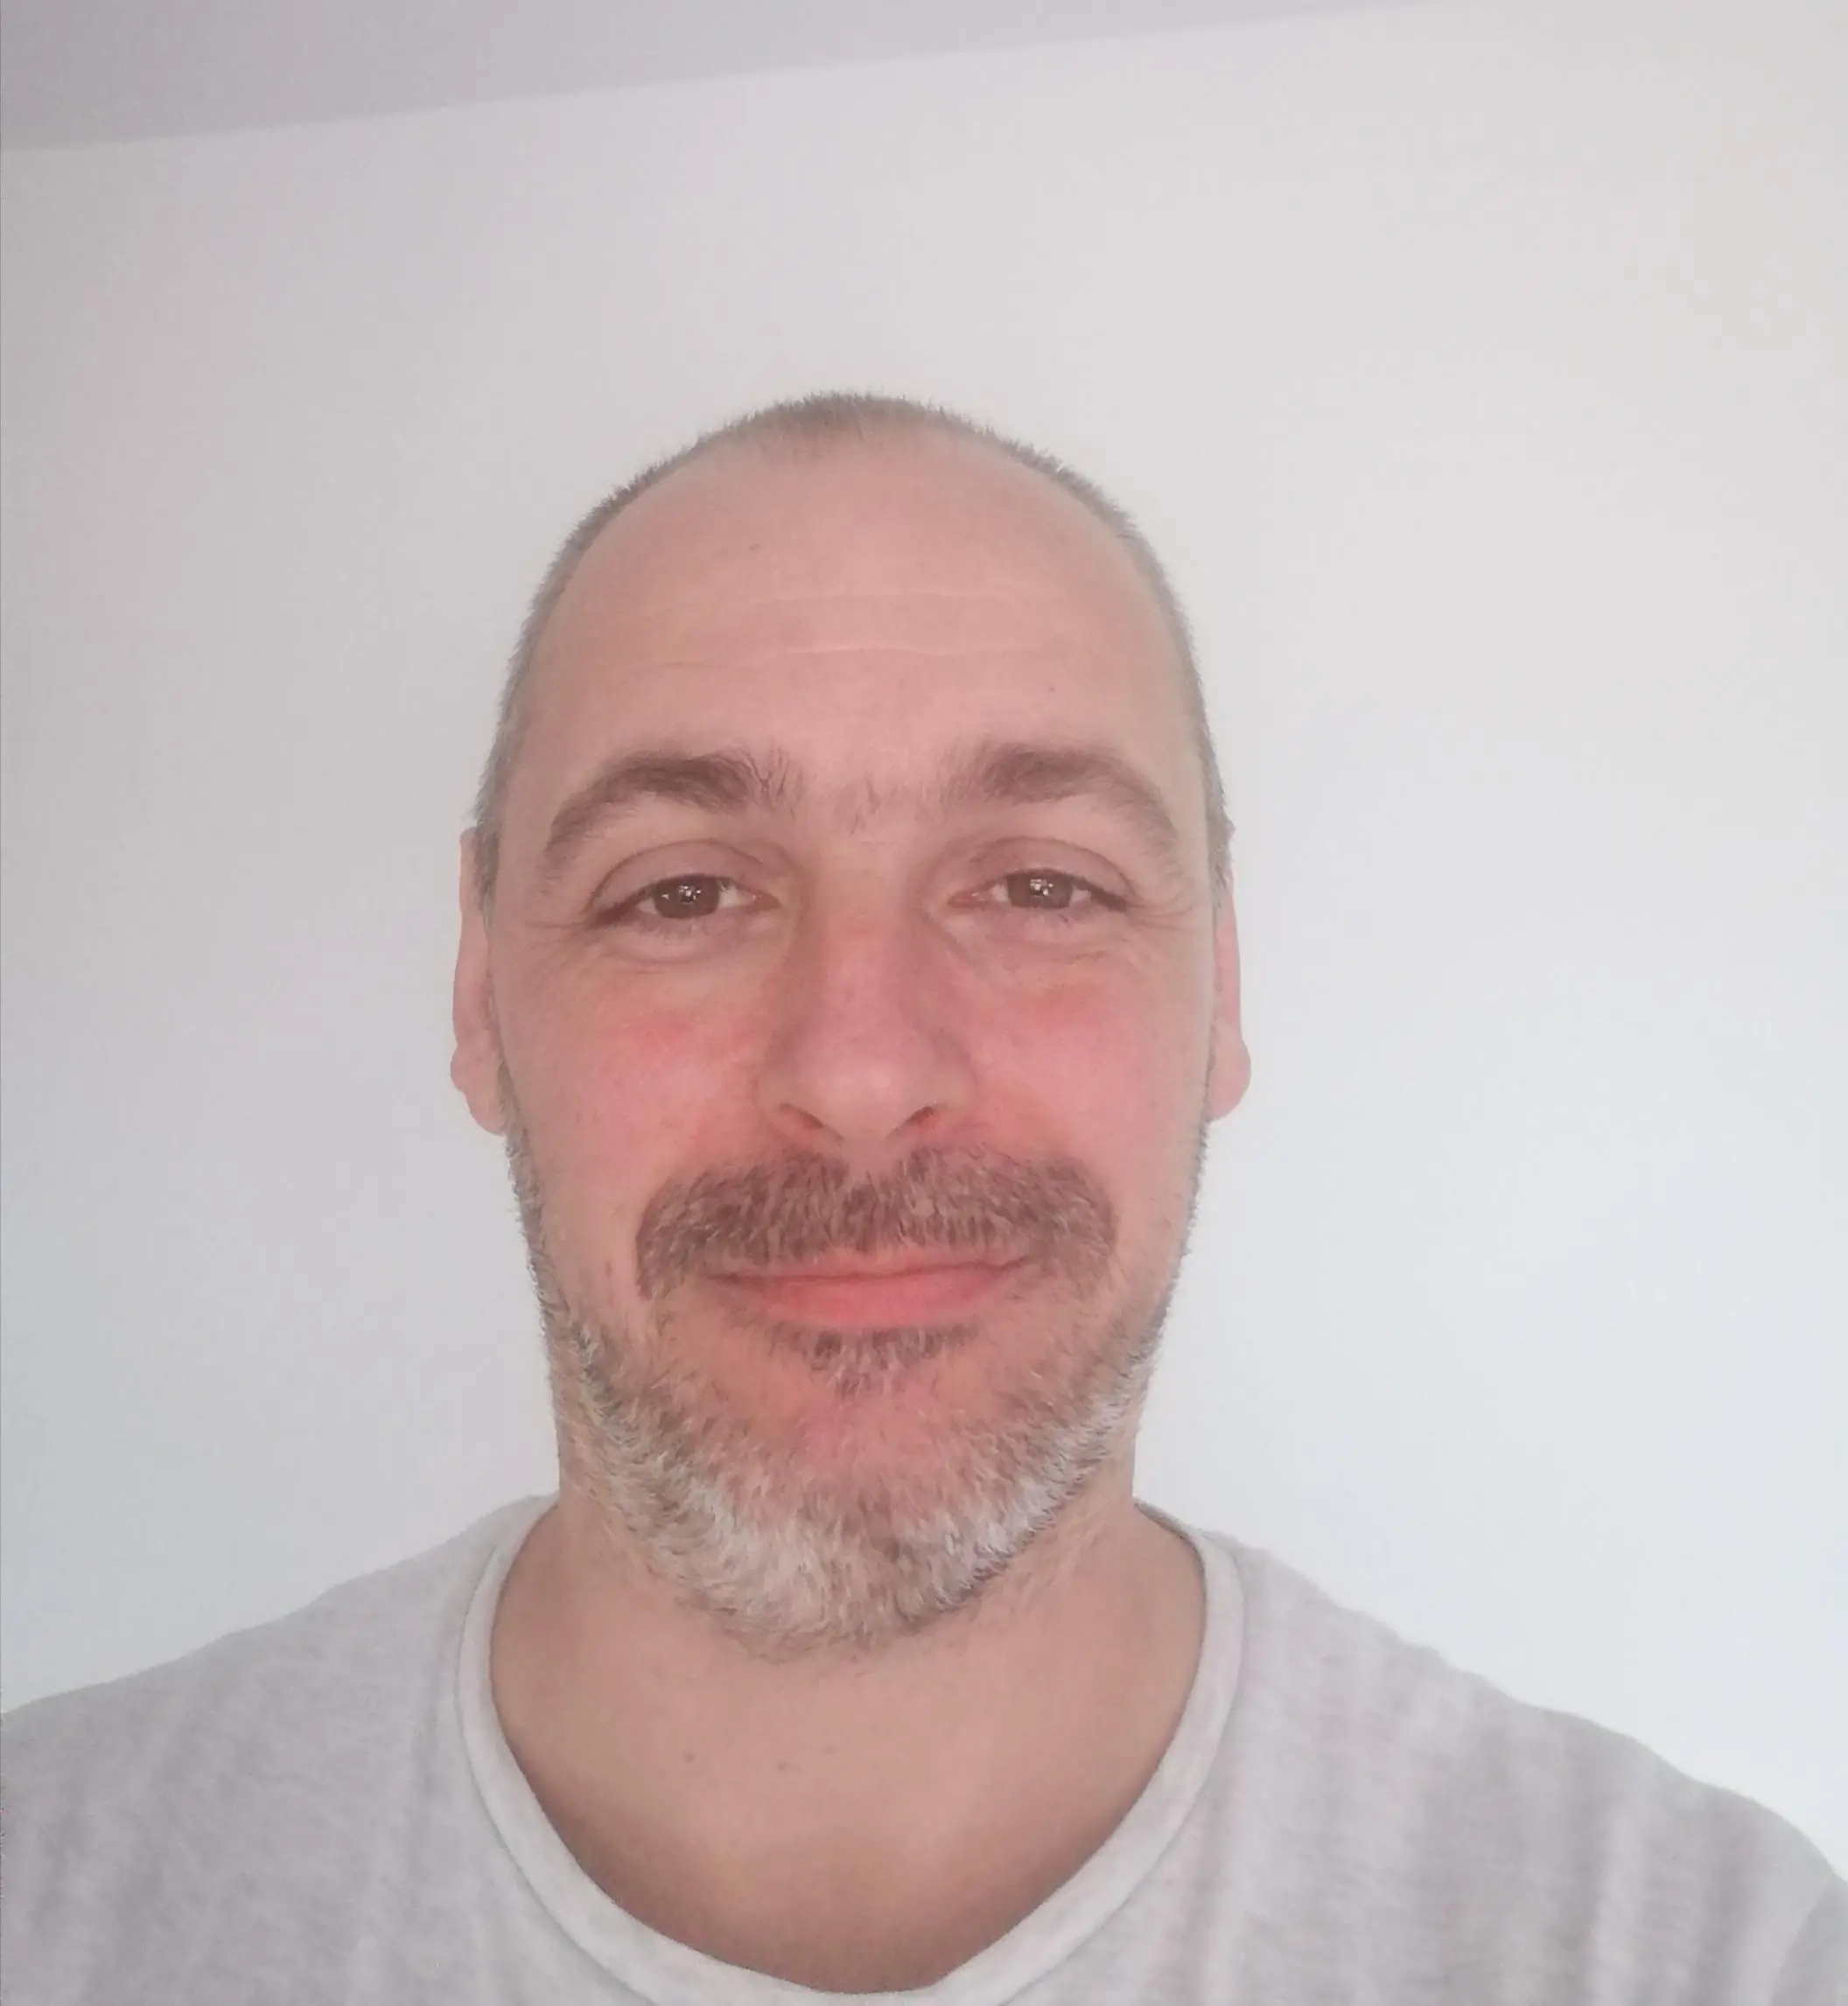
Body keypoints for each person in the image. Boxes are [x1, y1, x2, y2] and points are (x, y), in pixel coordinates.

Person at [3, 393, 1841, 2004]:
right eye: (682, 892)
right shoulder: (48, 1904)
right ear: (483, 997)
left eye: (1043, 887)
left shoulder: (1702, 1956)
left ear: (1221, 991)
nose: (865, 1071)